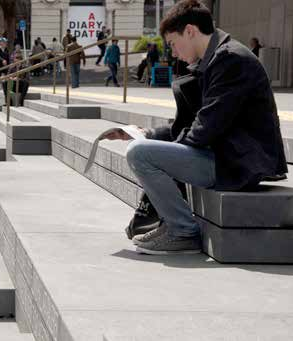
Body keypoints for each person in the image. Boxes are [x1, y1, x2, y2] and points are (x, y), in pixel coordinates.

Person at [106, 0, 287, 254]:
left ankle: (182, 231)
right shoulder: (217, 58)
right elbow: (197, 123)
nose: (174, 53)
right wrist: (147, 134)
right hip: (227, 155)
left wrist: (160, 151)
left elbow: (205, 127)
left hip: (238, 164)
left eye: (172, 44)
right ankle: (174, 224)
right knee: (143, 146)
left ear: (190, 31)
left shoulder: (231, 59)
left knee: (140, 153)